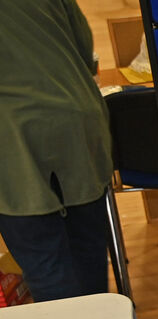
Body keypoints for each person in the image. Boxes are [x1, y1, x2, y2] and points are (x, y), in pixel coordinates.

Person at [0, 0, 112, 303]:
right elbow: (85, 46)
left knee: (45, 265)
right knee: (88, 253)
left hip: (14, 137)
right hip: (77, 123)